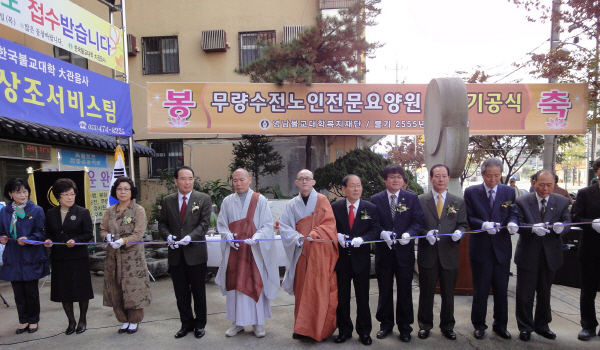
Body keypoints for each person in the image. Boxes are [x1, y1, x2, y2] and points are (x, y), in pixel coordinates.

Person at [215, 169, 280, 338]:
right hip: (235, 252)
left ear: (249, 180)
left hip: (254, 252)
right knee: (235, 286)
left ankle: (258, 323)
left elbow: (267, 224)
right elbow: (221, 224)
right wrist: (226, 235)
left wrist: (258, 236)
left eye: (242, 180)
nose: (238, 184)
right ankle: (237, 323)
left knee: (254, 282)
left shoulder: (260, 200)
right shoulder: (228, 201)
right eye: (235, 180)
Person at [279, 169, 338, 341]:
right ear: (296, 182)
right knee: (302, 290)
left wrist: (316, 233)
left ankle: (319, 328)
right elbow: (284, 227)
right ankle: (301, 327)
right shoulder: (291, 204)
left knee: (318, 290)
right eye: (301, 179)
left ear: (313, 182)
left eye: (308, 179)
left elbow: (329, 224)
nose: (304, 181)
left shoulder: (322, 200)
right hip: (300, 253)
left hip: (318, 254)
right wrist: (296, 237)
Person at [464, 157, 519, 340]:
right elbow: (469, 218)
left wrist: (512, 222)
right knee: (480, 289)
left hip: (501, 249)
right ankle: (479, 325)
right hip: (481, 248)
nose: (493, 180)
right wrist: (483, 224)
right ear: (482, 174)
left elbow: (512, 212)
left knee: (501, 289)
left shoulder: (508, 192)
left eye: (497, 175)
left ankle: (500, 325)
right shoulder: (471, 192)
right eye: (489, 176)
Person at [369, 164, 424, 342]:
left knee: (405, 291)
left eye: (399, 177)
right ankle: (385, 324)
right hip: (384, 254)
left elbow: (418, 221)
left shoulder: (411, 198)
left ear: (403, 180)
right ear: (384, 179)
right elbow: (372, 223)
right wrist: (381, 233)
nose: (396, 180)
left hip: (404, 253)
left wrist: (410, 233)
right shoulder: (375, 199)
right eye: (392, 177)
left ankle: (405, 327)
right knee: (384, 290)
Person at [514, 170, 571, 341]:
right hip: (528, 253)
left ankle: (542, 325)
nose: (545, 189)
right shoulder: (522, 201)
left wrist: (563, 228)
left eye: (549, 185)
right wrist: (531, 228)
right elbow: (517, 224)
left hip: (550, 255)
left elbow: (568, 221)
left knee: (545, 293)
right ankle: (525, 327)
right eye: (542, 184)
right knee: (525, 293)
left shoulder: (561, 201)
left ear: (554, 184)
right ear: (533, 183)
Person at [158, 166, 212, 339]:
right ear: (176, 181)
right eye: (183, 178)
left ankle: (200, 324)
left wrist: (190, 237)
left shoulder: (203, 199)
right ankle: (186, 323)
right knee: (180, 293)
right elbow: (162, 224)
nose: (187, 182)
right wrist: (168, 237)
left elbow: (204, 224)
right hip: (176, 255)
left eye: (190, 178)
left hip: (195, 253)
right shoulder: (168, 200)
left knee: (198, 291)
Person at [416, 164, 467, 341]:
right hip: (427, 253)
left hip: (449, 253)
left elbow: (462, 223)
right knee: (426, 293)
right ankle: (424, 325)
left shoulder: (457, 201)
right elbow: (416, 224)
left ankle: (447, 326)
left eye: (444, 176)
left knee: (448, 293)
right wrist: (424, 234)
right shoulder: (421, 200)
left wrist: (460, 233)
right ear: (431, 178)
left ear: (448, 178)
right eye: (437, 176)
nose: (440, 179)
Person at [331, 174, 380, 345]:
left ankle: (364, 332)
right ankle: (344, 330)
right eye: (352, 186)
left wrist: (364, 239)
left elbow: (376, 229)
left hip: (362, 260)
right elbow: (329, 227)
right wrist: (336, 235)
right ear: (344, 189)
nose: (356, 189)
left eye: (359, 186)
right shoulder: (335, 207)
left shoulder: (370, 208)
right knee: (342, 298)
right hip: (342, 260)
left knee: (363, 297)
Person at [100, 176, 151, 334]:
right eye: (119, 188)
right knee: (116, 287)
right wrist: (106, 236)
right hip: (113, 256)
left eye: (126, 189)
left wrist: (123, 241)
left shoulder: (138, 210)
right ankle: (123, 319)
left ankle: (134, 320)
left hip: (132, 257)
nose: (123, 192)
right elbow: (103, 229)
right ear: (115, 191)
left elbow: (138, 234)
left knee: (133, 288)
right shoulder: (110, 210)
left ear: (131, 191)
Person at [43, 178, 94, 335]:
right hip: (60, 258)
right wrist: (48, 240)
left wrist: (77, 241)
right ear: (58, 196)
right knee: (64, 291)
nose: (69, 197)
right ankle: (71, 321)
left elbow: (88, 234)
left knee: (81, 290)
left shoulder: (82, 212)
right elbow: (49, 233)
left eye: (72, 194)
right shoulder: (51, 213)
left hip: (78, 258)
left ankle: (82, 320)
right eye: (65, 194)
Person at [0, 178, 49, 334]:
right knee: (18, 292)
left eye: (24, 191)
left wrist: (29, 239)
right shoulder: (5, 211)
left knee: (31, 291)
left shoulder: (36, 210)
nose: (22, 194)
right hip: (13, 256)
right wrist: (2, 237)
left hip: (30, 255)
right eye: (18, 192)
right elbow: (1, 230)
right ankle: (24, 320)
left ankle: (34, 320)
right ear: (10, 194)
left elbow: (41, 232)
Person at [571, 157, 600, 341]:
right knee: (588, 290)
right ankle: (588, 326)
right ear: (597, 171)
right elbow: (575, 218)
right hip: (591, 248)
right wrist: (592, 223)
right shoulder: (585, 193)